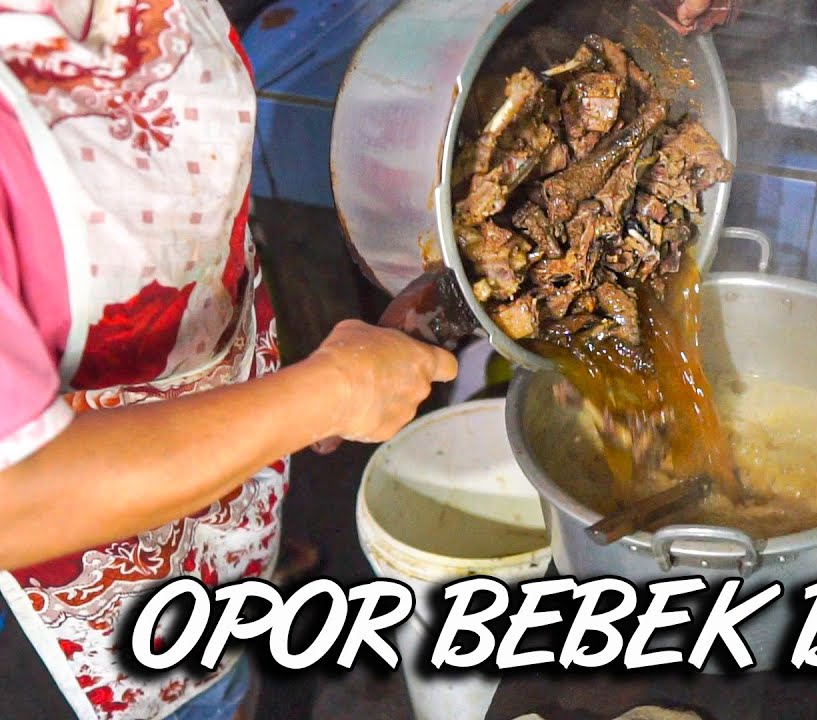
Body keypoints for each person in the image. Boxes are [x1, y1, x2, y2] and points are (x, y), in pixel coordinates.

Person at [0, 0, 732, 718]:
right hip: (73, 577)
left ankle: (247, 597)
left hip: (220, 403)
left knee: (232, 606)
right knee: (192, 690)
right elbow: (18, 501)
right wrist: (326, 393)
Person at [0, 1, 457, 718]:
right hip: (66, 600)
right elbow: (16, 501)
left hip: (224, 432)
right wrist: (327, 393)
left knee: (230, 627)